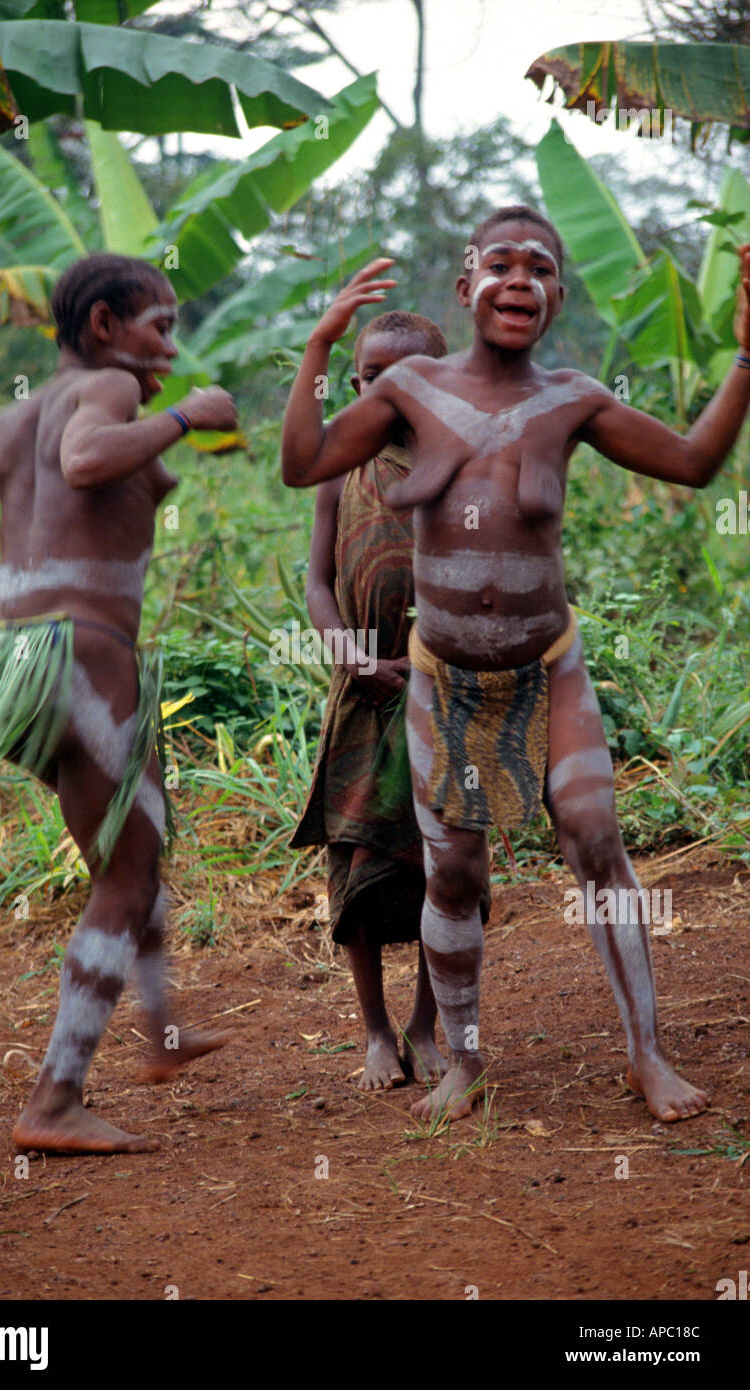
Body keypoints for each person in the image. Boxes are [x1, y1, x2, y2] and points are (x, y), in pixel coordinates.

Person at [282, 215, 750, 1124]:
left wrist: (745, 359)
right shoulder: (411, 388)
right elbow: (304, 462)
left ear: (556, 299)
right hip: (446, 678)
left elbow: (693, 463)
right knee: (451, 874)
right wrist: (317, 345)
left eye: (540, 268)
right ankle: (461, 1061)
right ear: (466, 291)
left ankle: (646, 1056)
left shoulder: (571, 398)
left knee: (595, 839)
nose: (519, 278)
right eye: (499, 263)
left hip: (548, 665)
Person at [0, 252, 237, 1153]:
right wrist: (182, 417)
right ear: (102, 329)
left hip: (15, 662)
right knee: (124, 874)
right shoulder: (115, 396)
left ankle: (161, 1032)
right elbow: (87, 462)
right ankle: (54, 1100)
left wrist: (10, 605)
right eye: (159, 327)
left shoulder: (4, 420)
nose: (169, 346)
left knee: (137, 836)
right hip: (85, 657)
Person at [292, 295, 459, 1091]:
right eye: (365, 378)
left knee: (443, 865)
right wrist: (353, 656)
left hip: (444, 688)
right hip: (363, 691)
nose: (379, 393)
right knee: (355, 864)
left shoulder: (455, 463)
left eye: (399, 378)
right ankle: (373, 1029)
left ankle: (428, 1026)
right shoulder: (338, 468)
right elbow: (318, 582)